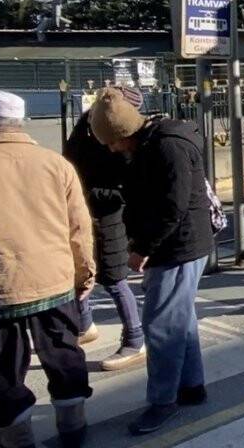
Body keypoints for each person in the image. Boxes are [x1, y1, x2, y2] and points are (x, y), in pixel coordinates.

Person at [0, 91, 94, 447]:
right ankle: (73, 426)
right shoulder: (56, 164)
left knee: (3, 367)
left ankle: (17, 437)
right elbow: (79, 228)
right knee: (64, 354)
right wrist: (84, 274)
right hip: (56, 283)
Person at [89, 88, 213, 435]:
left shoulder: (166, 146)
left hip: (177, 247)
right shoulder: (155, 141)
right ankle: (192, 387)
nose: (113, 150)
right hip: (182, 244)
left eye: (114, 142)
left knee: (160, 327)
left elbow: (171, 208)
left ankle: (163, 402)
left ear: (126, 133)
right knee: (181, 321)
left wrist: (143, 247)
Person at [63, 86, 146, 373]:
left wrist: (90, 194)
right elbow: (70, 157)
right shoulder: (87, 124)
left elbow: (126, 187)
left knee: (113, 278)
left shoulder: (127, 138)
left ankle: (135, 339)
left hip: (107, 214)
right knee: (79, 269)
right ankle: (84, 324)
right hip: (79, 209)